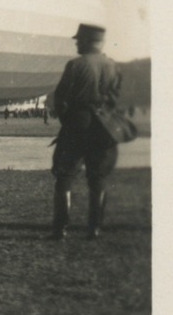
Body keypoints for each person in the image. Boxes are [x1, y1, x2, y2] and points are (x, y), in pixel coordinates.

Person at [49, 23, 123, 239]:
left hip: (77, 125)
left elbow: (61, 98)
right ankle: (94, 229)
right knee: (98, 177)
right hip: (104, 128)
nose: (77, 44)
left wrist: (68, 120)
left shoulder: (75, 65)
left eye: (79, 40)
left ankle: (60, 229)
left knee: (65, 176)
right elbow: (117, 98)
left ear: (89, 41)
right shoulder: (113, 66)